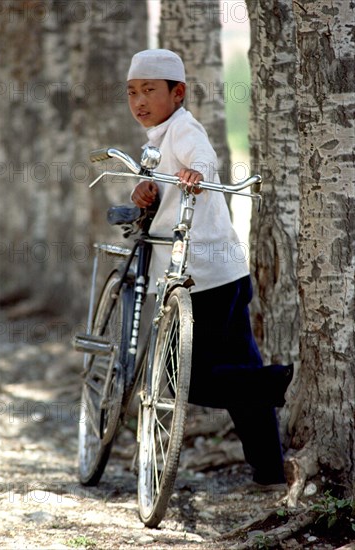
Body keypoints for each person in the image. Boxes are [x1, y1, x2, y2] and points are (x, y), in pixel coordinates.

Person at [127, 49, 293, 487]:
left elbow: (202, 157)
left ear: (177, 93)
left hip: (208, 277)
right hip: (215, 274)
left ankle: (275, 382)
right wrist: (144, 191)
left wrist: (196, 173)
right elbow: (159, 186)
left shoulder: (183, 129)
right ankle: (269, 470)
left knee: (186, 380)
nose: (139, 101)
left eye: (149, 91)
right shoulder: (156, 140)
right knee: (238, 372)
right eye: (132, 92)